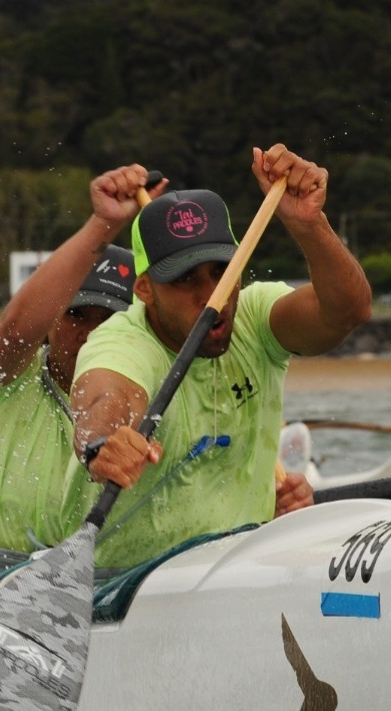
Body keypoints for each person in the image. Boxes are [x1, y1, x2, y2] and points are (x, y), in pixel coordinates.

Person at [71, 143, 373, 572]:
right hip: (120, 582)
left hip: (233, 573)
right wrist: (104, 443)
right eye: (184, 279)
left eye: (220, 271)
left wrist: (309, 225)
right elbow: (103, 401)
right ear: (143, 290)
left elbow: (350, 311)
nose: (211, 294)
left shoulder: (256, 316)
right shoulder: (121, 341)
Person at [0, 164, 155, 587]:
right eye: (76, 315)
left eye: (109, 320)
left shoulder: (152, 384)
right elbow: (12, 329)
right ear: (50, 321)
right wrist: (103, 224)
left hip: (99, 584)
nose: (90, 334)